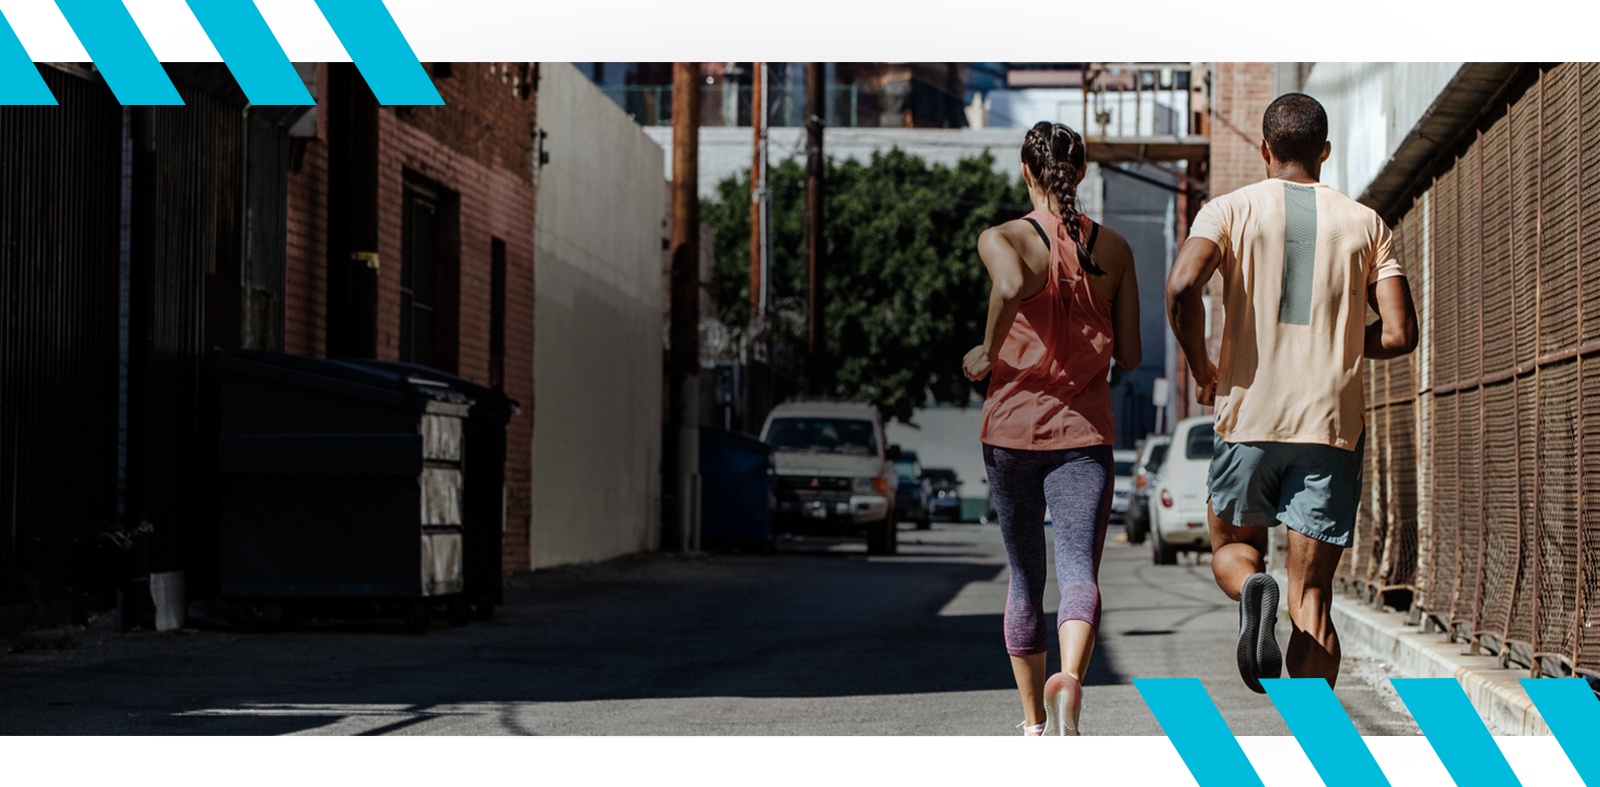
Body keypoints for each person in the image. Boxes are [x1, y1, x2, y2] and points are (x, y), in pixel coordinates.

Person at [1165, 93, 1418, 692]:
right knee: (1312, 599)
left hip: (1247, 416)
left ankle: (1253, 585)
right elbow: (1403, 332)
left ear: (1264, 149)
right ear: (1325, 152)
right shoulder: (1367, 223)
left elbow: (1181, 286)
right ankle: (1313, 746)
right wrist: (1347, 344)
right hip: (1330, 427)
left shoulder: (1225, 211)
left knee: (1232, 550)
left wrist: (1203, 365)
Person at [963, 121, 1141, 735]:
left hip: (1010, 432)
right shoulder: (1114, 249)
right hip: (1085, 436)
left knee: (1024, 576)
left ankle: (1034, 722)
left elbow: (1010, 285)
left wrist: (988, 351)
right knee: (1078, 573)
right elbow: (1136, 355)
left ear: (1025, 171)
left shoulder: (1002, 237)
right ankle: (1070, 676)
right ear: (1082, 173)